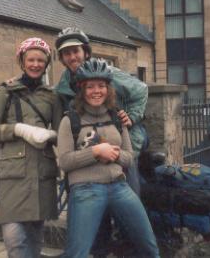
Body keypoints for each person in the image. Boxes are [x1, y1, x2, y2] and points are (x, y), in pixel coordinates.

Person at [57, 58, 160, 258]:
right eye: (90, 86)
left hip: (119, 187)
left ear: (108, 88)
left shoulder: (116, 118)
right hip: (86, 190)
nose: (96, 91)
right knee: (77, 253)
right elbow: (65, 161)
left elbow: (129, 157)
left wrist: (114, 153)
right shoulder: (70, 120)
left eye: (101, 86)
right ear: (81, 90)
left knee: (149, 248)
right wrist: (95, 152)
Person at [0, 38, 62, 258]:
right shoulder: (6, 91)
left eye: (40, 60)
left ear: (46, 64)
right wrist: (18, 129)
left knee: (35, 237)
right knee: (15, 240)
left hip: (42, 171)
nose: (35, 64)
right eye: (31, 59)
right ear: (22, 61)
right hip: (14, 174)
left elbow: (61, 134)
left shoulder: (52, 96)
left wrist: (50, 134)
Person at [54, 27, 148, 195]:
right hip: (90, 145)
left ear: (86, 52)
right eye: (66, 53)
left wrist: (132, 117)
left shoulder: (106, 72)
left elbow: (140, 90)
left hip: (122, 137)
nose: (72, 57)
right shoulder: (64, 84)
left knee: (129, 190)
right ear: (61, 58)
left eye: (76, 51)